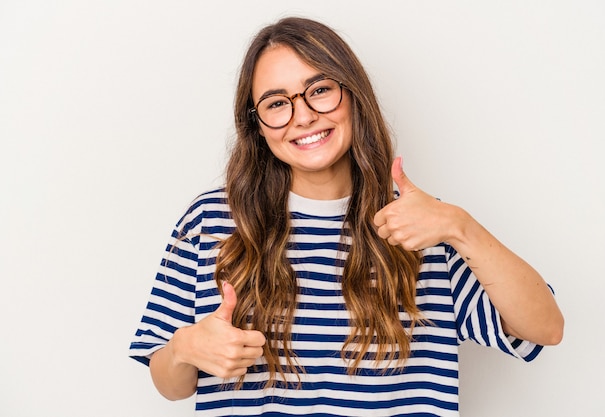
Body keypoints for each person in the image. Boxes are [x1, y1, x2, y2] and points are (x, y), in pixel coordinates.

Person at [129, 16, 564, 416]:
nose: (302, 116)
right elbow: (171, 384)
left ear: (352, 94)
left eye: (319, 90)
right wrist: (185, 347)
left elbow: (545, 327)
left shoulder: (419, 223)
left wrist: (459, 226)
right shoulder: (210, 219)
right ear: (257, 124)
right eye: (277, 103)